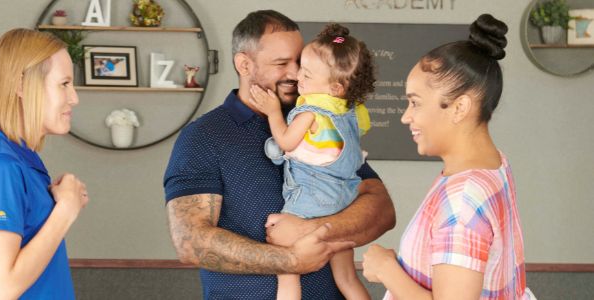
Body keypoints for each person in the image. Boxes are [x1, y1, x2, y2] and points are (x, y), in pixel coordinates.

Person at [163, 10, 395, 299]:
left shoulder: (320, 120)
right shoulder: (204, 136)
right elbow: (190, 241)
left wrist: (312, 229)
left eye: (299, 62)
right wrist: (291, 260)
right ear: (244, 65)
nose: (295, 73)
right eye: (281, 63)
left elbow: (382, 210)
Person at [361, 14, 535, 299]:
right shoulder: (493, 164)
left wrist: (386, 270)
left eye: (415, 102)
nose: (406, 116)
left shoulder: (463, 200)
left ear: (459, 108)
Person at [0, 28, 88, 300]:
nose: (74, 97)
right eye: (64, 84)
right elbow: (2, 289)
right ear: (20, 85)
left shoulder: (21, 162)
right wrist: (65, 211)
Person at [248, 23, 375, 300]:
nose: (297, 78)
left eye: (306, 74)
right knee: (347, 276)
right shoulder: (353, 111)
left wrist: (272, 112)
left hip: (313, 200)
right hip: (344, 200)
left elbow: (285, 142)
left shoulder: (310, 112)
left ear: (336, 86)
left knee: (287, 267)